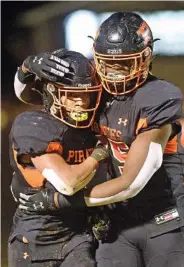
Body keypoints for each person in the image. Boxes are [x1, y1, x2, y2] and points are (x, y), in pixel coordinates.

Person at [14, 12, 184, 267]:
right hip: (115, 221)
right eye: (107, 63)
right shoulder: (95, 92)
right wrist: (27, 68)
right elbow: (40, 98)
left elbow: (131, 183)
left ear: (145, 58)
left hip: (162, 220)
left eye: (123, 64)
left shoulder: (157, 98)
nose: (114, 73)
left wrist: (59, 201)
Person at [8, 49, 109, 267]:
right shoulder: (35, 125)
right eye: (72, 94)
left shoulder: (98, 122)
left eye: (86, 93)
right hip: (36, 233)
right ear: (51, 93)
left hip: (79, 231)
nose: (81, 102)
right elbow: (68, 183)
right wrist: (98, 154)